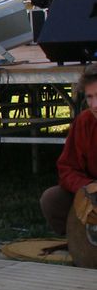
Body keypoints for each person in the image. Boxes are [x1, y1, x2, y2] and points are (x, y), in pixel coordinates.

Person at [40, 64, 97, 235]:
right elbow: (67, 168)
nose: (94, 105)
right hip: (92, 194)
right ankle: (79, 242)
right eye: (89, 97)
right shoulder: (84, 121)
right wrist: (88, 187)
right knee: (51, 199)